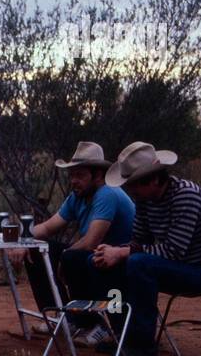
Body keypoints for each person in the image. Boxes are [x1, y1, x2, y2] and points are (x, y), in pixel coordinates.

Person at [90, 141, 201, 356]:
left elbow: (173, 251)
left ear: (154, 179)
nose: (130, 191)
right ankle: (124, 334)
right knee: (111, 261)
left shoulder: (186, 195)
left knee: (138, 263)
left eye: (134, 185)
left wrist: (122, 252)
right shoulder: (145, 199)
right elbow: (138, 242)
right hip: (174, 265)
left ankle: (143, 346)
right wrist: (111, 252)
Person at [25, 142, 136, 343]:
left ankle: (94, 324)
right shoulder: (78, 196)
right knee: (36, 250)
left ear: (98, 176)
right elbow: (49, 227)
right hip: (97, 257)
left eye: (80, 175)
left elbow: (90, 242)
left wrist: (64, 257)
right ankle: (64, 317)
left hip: (120, 258)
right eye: (72, 175)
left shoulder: (107, 193)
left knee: (73, 258)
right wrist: (21, 239)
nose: (74, 181)